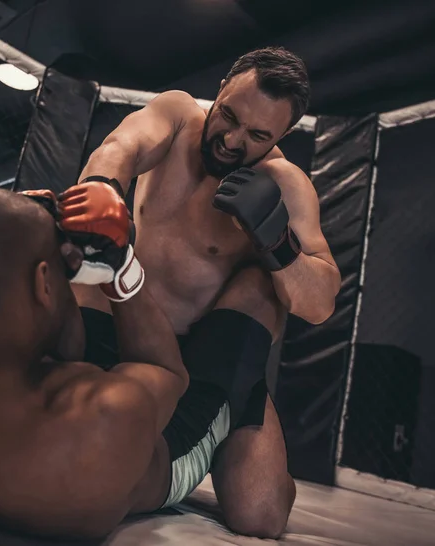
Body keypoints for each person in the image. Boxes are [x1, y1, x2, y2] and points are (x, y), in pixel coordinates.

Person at [72, 46, 342, 538]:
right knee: (84, 281)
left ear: (282, 137)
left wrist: (278, 244)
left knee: (260, 517)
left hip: (210, 359)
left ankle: (231, 416)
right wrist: (103, 191)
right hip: (125, 325)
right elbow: (119, 148)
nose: (232, 140)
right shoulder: (177, 117)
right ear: (220, 89)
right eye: (230, 116)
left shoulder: (285, 183)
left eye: (258, 135)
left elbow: (320, 303)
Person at [0, 186, 196, 540]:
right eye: (64, 270)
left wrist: (23, 230)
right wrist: (121, 266)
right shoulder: (104, 412)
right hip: (168, 455)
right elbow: (169, 373)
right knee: (243, 309)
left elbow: (60, 348)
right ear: (44, 281)